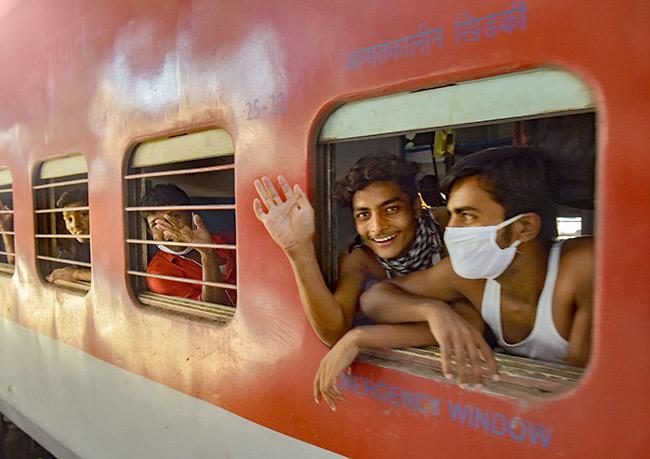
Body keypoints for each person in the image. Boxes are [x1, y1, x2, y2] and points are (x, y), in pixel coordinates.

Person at [314, 146, 594, 408]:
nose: (452, 230)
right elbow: (374, 299)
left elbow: (576, 396)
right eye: (451, 215)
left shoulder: (582, 268)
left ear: (523, 227)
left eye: (467, 216)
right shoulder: (465, 276)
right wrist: (431, 311)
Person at [253, 155, 449, 348]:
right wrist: (298, 249)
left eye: (391, 209)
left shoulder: (448, 226)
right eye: (364, 215)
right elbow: (334, 332)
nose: (377, 227)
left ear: (415, 207)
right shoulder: (360, 258)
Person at [140, 184, 236, 305]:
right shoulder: (160, 274)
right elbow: (209, 310)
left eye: (175, 216)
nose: (168, 229)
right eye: (157, 225)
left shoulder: (222, 240)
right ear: (150, 233)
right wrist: (207, 254)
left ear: (190, 216)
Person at [46, 190, 92, 283]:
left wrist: (75, 274)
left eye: (83, 214)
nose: (75, 225)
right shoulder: (78, 247)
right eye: (69, 219)